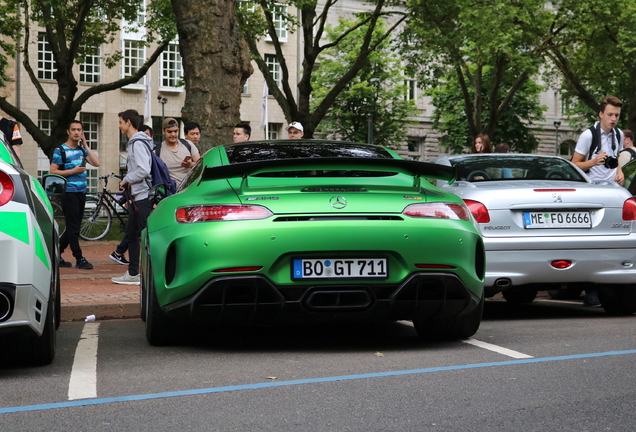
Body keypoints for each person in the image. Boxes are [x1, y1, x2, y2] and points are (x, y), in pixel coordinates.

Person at [572, 95, 625, 307]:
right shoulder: (588, 135)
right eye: (610, 114)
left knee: (612, 239)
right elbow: (574, 164)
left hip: (611, 192)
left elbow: (617, 157)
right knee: (591, 240)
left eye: (617, 115)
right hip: (591, 193)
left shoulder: (618, 134)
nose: (613, 119)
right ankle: (591, 291)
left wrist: (619, 171)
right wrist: (593, 162)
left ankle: (610, 287)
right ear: (601, 114)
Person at [50, 120, 100, 269]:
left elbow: (96, 163)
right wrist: (73, 171)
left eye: (79, 130)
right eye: (74, 129)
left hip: (81, 192)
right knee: (73, 227)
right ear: (68, 131)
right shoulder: (61, 150)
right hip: (69, 192)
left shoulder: (81, 150)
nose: (77, 132)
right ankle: (79, 258)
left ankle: (56, 254)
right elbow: (52, 171)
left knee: (74, 227)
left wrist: (85, 144)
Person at [112, 109, 154, 285]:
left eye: (121, 122)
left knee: (145, 237)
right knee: (132, 234)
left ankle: (147, 274)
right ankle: (134, 273)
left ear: (128, 122)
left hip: (143, 197)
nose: (119, 126)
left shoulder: (137, 143)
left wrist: (126, 180)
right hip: (139, 197)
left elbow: (143, 170)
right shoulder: (138, 142)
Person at [156, 117, 201, 185]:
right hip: (169, 192)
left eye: (175, 131)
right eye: (169, 132)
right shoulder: (157, 151)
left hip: (189, 189)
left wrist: (191, 164)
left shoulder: (188, 144)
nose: (173, 134)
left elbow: (201, 165)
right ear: (163, 131)